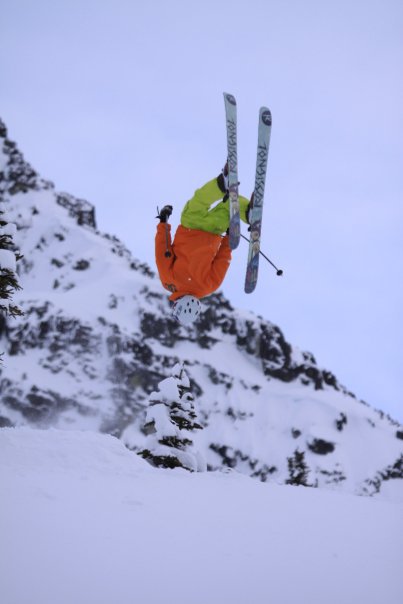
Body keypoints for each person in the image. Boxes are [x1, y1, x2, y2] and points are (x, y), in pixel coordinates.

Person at [155, 165, 251, 326]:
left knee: (227, 209)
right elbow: (163, 252)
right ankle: (221, 184)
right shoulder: (168, 282)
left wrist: (229, 237)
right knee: (199, 200)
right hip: (190, 226)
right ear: (176, 305)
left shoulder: (208, 287)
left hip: (212, 233)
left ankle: (248, 212)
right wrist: (163, 223)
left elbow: (223, 259)